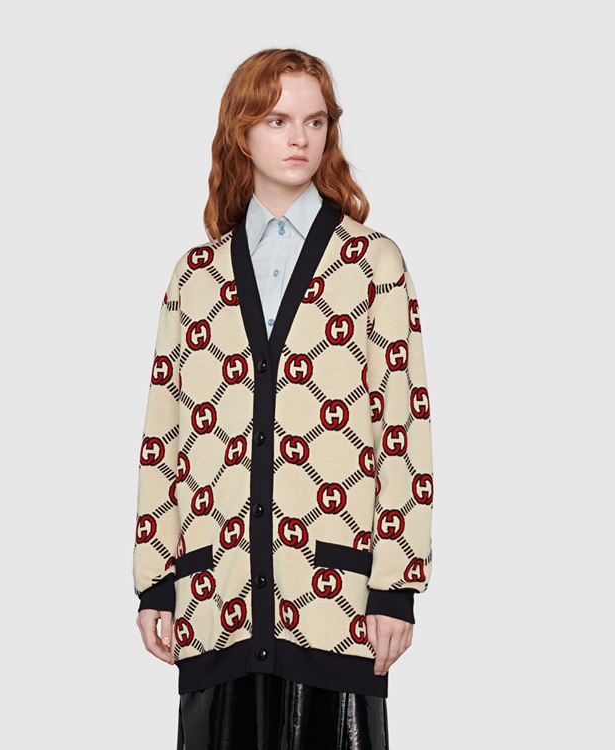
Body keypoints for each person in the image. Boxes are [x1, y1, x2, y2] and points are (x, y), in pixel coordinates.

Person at [133, 48, 434, 749]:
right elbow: (164, 437)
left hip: (333, 600)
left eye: (315, 121)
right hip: (217, 596)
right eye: (277, 120)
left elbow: (402, 427)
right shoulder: (195, 278)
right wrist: (156, 579)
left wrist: (395, 585)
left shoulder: (372, 265)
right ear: (241, 132)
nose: (299, 137)